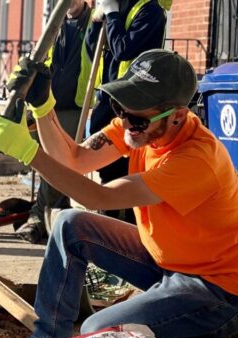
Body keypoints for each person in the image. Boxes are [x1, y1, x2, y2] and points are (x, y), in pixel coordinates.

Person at [0, 50, 238, 338]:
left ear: (176, 116)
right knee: (70, 226)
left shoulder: (195, 161)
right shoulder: (140, 123)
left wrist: (27, 153)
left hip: (222, 289)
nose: (126, 122)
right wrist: (43, 107)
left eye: (138, 119)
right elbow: (75, 159)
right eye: (121, 110)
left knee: (100, 333)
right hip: (171, 260)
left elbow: (99, 196)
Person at [18, 0, 96, 244]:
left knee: (59, 163)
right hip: (50, 102)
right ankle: (43, 214)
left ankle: (39, 218)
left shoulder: (95, 21)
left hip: (78, 104)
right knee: (48, 164)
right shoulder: (55, 24)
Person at [84, 0, 166, 215]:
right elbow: (94, 52)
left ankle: (127, 222)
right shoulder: (117, 10)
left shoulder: (150, 11)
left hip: (134, 103)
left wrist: (112, 15)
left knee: (128, 168)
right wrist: (96, 23)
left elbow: (123, 49)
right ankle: (107, 215)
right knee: (104, 163)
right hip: (108, 96)